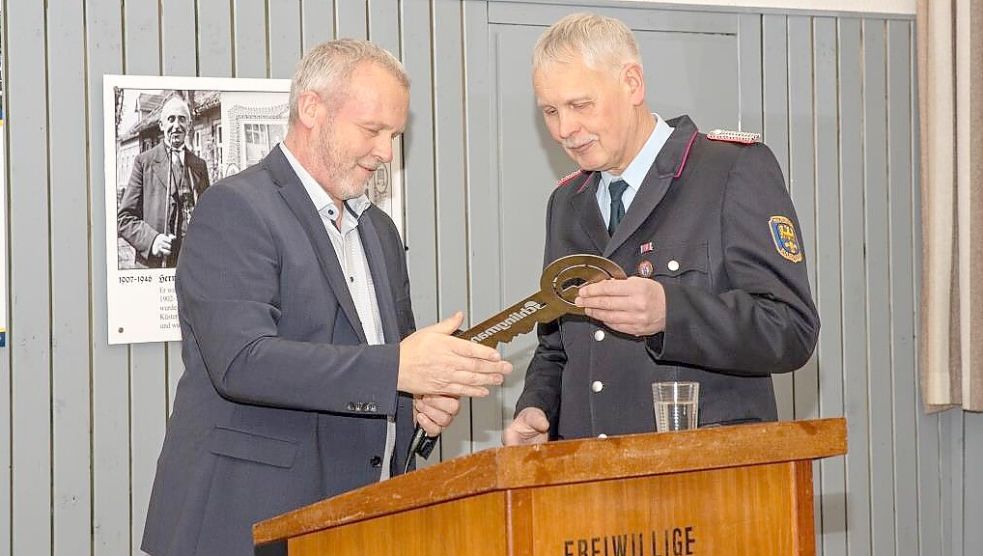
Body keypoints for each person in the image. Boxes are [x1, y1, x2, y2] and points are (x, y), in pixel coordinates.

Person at [141, 39, 512, 556]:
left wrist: (418, 398)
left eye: (395, 135)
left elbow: (378, 364)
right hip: (242, 525)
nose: (386, 152)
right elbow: (242, 361)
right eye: (373, 130)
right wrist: (398, 371)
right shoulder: (235, 207)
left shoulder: (379, 230)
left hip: (353, 522)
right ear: (312, 108)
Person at [504, 13, 820, 446]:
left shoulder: (730, 170)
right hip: (587, 486)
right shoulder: (566, 203)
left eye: (580, 105)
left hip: (703, 482)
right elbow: (559, 343)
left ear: (632, 83)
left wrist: (671, 313)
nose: (564, 130)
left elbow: (791, 328)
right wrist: (538, 407)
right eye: (551, 111)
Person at [118, 95, 210, 268]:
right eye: (171, 119)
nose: (176, 125)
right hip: (155, 266)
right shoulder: (144, 162)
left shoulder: (199, 166)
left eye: (182, 119)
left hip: (191, 266)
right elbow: (124, 218)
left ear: (189, 126)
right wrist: (152, 240)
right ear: (162, 125)